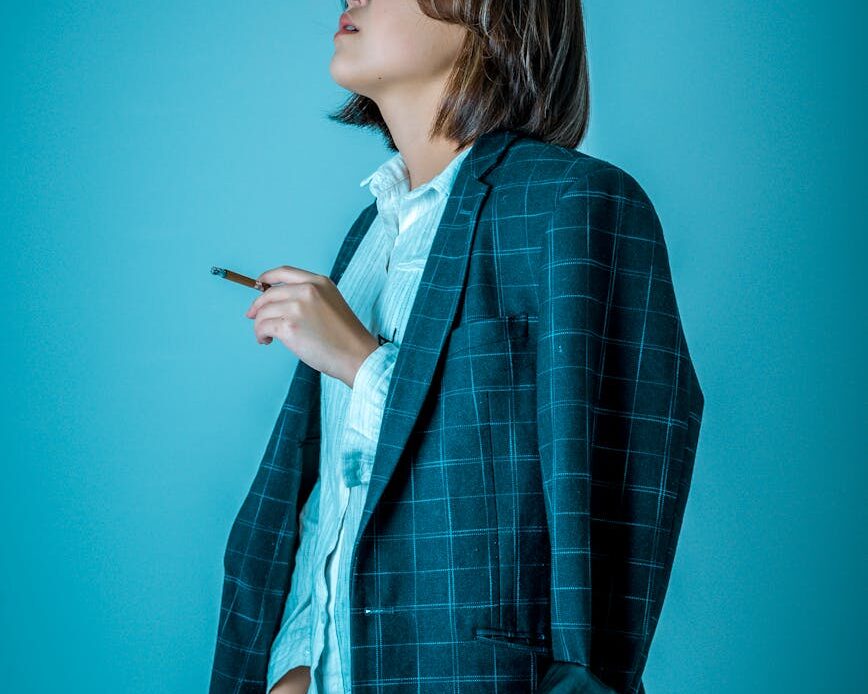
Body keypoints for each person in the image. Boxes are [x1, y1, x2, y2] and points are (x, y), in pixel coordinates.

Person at [210, 1, 705, 693]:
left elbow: (602, 511)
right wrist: (290, 664)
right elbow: (334, 503)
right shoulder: (369, 235)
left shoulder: (577, 205)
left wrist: (361, 362)